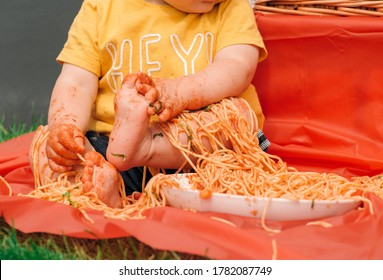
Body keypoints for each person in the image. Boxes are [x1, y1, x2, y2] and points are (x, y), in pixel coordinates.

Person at [29, 0, 269, 208]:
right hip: (110, 152)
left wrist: (181, 91)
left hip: (204, 156)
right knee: (46, 148)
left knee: (239, 117)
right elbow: (76, 82)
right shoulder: (101, 8)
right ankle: (102, 187)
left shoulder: (231, 6)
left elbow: (238, 66)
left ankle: (146, 146)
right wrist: (66, 126)